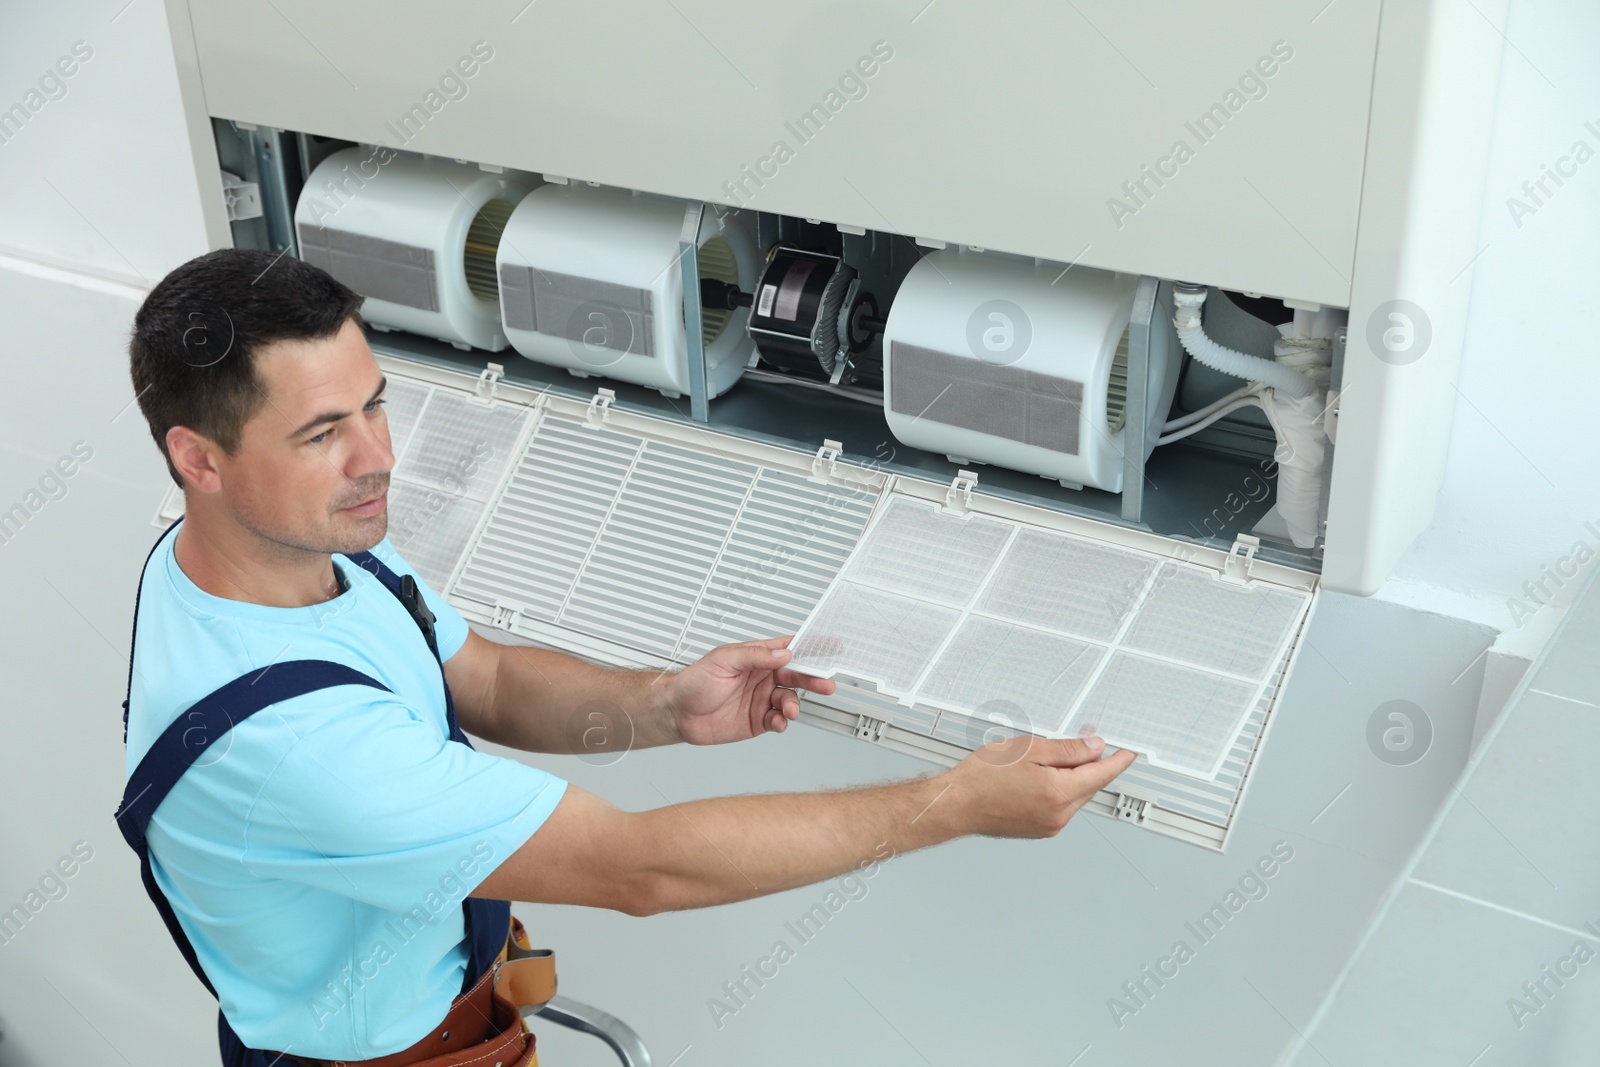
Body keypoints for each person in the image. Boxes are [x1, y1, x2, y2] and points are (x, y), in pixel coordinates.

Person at [118, 247, 1136, 1067]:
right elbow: (640, 867)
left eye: (376, 402)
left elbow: (485, 676)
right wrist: (955, 804)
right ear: (196, 458)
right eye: (324, 431)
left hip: (461, 1011)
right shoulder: (290, 743)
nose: (380, 454)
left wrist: (661, 706)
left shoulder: (276, 554)